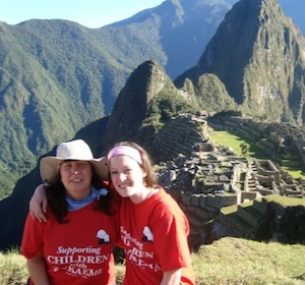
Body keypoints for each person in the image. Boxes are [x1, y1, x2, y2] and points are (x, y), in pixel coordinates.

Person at [30, 141, 196, 285]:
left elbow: (173, 273)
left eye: (127, 170)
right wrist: (42, 190)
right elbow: (77, 185)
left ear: (144, 170)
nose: (121, 179)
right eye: (115, 172)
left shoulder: (163, 211)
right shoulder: (120, 198)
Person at [21, 139, 119, 285]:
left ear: (92, 170)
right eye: (68, 166)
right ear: (59, 173)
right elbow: (33, 258)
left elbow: (136, 241)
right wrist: (41, 190)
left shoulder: (111, 201)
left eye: (81, 165)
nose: (75, 170)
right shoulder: (43, 208)